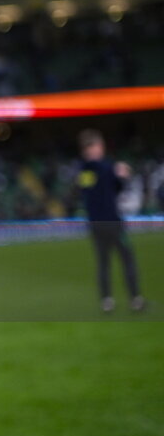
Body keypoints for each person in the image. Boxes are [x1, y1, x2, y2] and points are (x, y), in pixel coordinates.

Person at [76, 129, 145, 312]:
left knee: (103, 263)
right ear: (95, 147)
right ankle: (135, 299)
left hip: (95, 224)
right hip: (112, 222)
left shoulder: (84, 170)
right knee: (127, 258)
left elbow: (87, 193)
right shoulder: (107, 168)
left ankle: (106, 301)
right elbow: (117, 187)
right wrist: (121, 174)